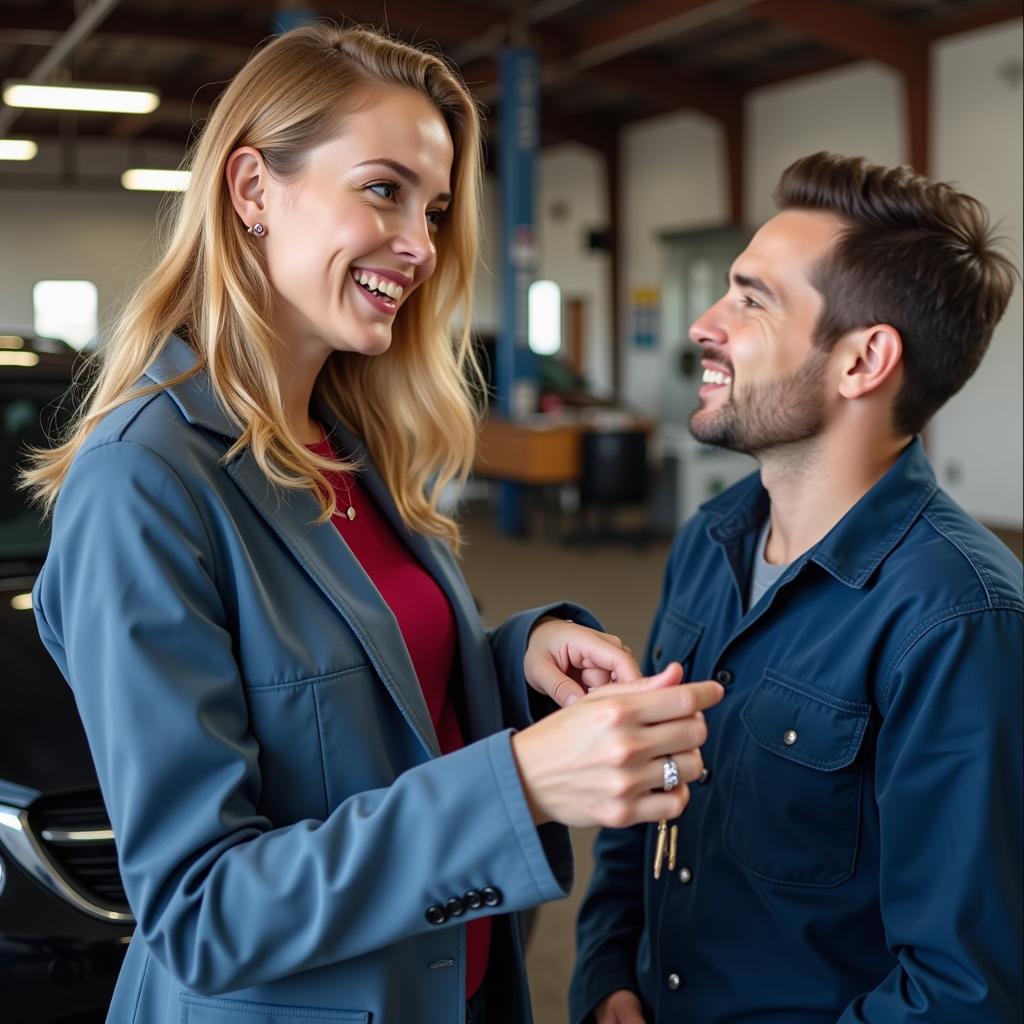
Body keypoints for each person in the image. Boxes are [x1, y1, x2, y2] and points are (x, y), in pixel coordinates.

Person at [24, 24, 723, 1024]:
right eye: (383, 189)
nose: (423, 245)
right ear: (252, 190)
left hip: (452, 985)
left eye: (434, 209)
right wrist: (516, 784)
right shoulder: (144, 479)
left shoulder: (348, 438)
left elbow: (349, 695)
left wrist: (516, 656)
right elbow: (201, 912)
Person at [571, 152, 1023, 1023]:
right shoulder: (710, 541)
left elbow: (960, 991)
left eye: (752, 299)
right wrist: (607, 971)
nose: (706, 323)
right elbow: (649, 800)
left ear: (863, 361)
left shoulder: (960, 622)